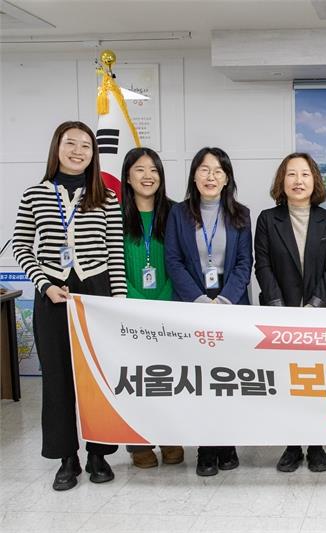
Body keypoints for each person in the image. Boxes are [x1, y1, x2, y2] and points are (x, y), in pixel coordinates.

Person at [12, 121, 125, 491]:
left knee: (97, 377)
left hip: (97, 292)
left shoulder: (106, 197)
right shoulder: (35, 194)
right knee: (58, 378)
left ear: (94, 154)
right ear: (56, 148)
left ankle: (99, 454)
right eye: (70, 143)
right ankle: (66, 458)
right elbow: (21, 245)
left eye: (86, 146)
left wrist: (118, 301)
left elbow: (115, 252)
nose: (78, 151)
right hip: (53, 293)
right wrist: (43, 284)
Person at [164, 146, 253, 477]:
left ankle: (227, 444)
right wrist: (201, 302)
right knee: (200, 381)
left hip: (231, 306)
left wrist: (225, 301)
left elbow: (244, 262)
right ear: (194, 176)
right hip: (193, 305)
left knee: (227, 380)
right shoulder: (178, 213)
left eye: (218, 170)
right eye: (204, 169)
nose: (211, 176)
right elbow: (173, 261)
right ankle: (205, 448)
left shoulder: (241, 214)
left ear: (227, 178)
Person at [254, 152, 326, 473]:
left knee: (317, 382)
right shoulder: (267, 219)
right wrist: (280, 308)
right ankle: (292, 445)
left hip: (319, 314)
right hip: (281, 315)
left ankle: (317, 445)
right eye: (291, 174)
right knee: (287, 382)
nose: (298, 181)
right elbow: (262, 265)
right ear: (282, 181)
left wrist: (314, 305)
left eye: (305, 174)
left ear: (314, 180)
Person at [120, 147, 185, 469]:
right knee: (136, 379)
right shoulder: (114, 214)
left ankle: (171, 436)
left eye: (154, 170)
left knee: (169, 377)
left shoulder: (175, 213)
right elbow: (111, 262)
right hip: (128, 311)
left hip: (169, 308)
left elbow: (181, 259)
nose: (148, 176)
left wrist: (163, 299)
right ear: (127, 176)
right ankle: (139, 443)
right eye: (140, 170)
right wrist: (135, 299)